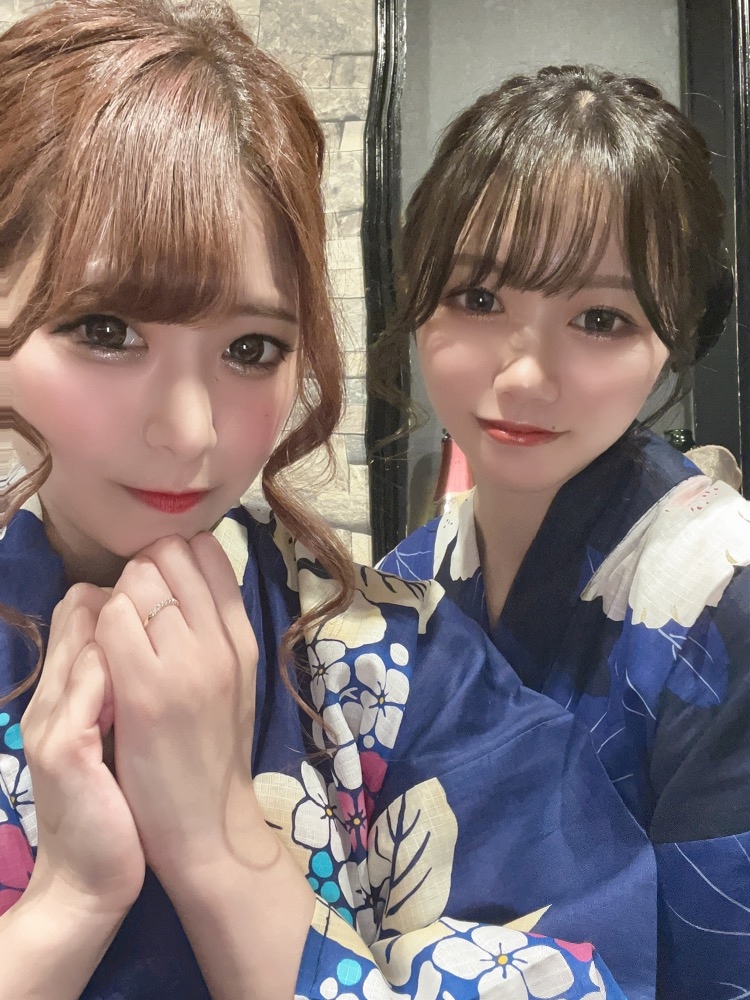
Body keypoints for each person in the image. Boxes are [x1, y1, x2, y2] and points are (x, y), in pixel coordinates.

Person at [0, 8, 656, 998]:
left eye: (252, 348)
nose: (190, 429)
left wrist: (223, 849)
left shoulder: (411, 669)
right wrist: (69, 905)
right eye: (104, 330)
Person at [378, 66, 749, 999]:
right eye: (477, 298)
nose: (523, 377)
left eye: (600, 319)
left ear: (676, 336)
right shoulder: (405, 580)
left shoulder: (723, 596)